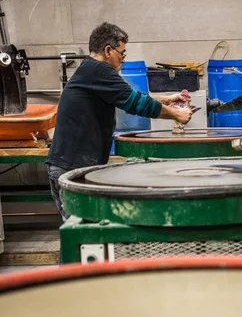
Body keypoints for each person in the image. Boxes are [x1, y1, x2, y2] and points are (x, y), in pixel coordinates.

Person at [46, 22, 192, 221]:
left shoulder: (91, 70)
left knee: (82, 234)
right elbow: (135, 103)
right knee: (80, 235)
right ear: (108, 50)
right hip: (71, 167)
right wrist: (178, 115)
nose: (123, 60)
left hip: (69, 164)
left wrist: (167, 99)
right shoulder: (99, 70)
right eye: (121, 54)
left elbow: (127, 95)